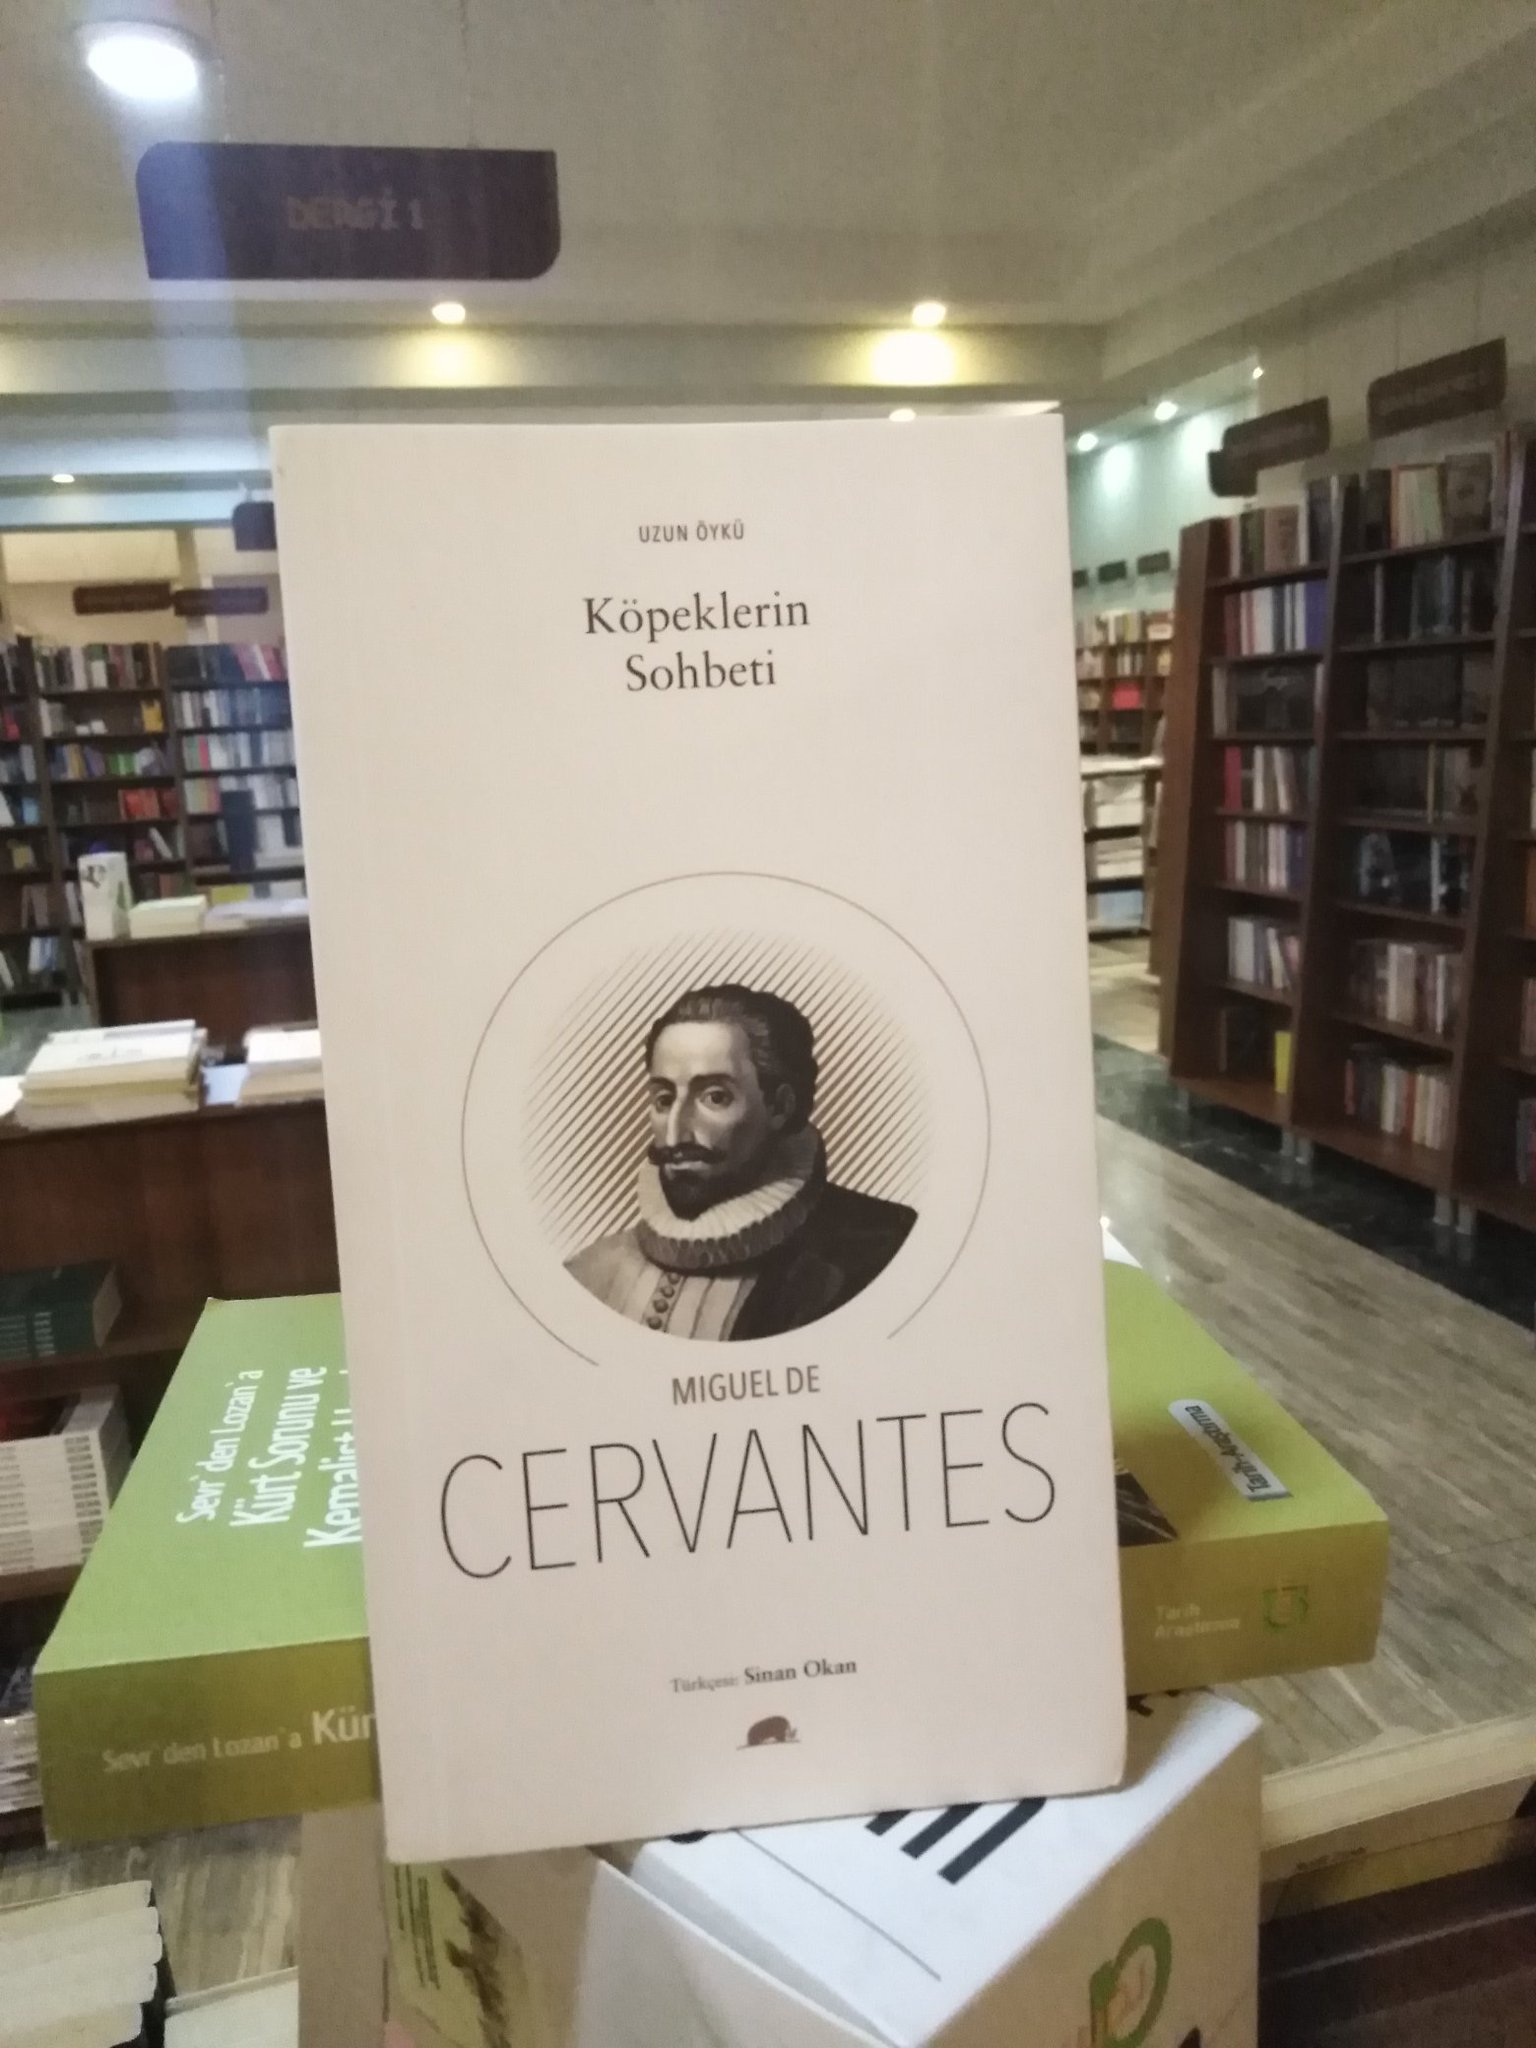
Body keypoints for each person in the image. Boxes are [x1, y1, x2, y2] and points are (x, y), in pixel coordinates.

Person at [565, 982, 915, 1340]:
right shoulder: (590, 1273)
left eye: (714, 1097)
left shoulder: (883, 1250)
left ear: (780, 1106)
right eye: (664, 1100)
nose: (675, 1134)